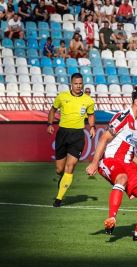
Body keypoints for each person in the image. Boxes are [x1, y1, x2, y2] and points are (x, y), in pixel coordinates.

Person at [86, 88, 137, 242]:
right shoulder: (123, 117)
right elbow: (104, 138)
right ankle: (111, 219)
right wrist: (94, 162)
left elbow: (127, 146)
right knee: (122, 178)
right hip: (110, 160)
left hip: (128, 163)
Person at [47, 73, 95, 207]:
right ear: (71, 84)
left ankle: (58, 198)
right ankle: (62, 180)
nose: (78, 86)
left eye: (80, 83)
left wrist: (92, 127)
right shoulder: (62, 96)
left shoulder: (88, 100)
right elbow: (52, 110)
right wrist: (50, 124)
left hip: (78, 135)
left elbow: (91, 115)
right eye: (76, 83)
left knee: (70, 166)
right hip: (62, 133)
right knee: (59, 169)